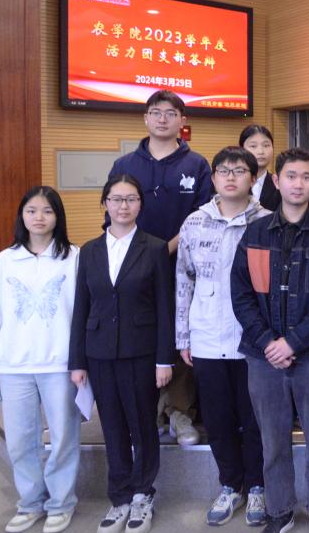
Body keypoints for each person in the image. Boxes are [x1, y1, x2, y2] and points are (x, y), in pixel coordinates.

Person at [230, 148, 309, 533]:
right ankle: (279, 511)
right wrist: (269, 341)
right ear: (276, 181)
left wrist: (293, 343)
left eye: (306, 177)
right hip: (263, 356)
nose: (298, 184)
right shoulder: (256, 233)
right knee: (273, 441)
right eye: (291, 176)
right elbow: (241, 294)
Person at [69, 175, 174, 533]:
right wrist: (77, 361)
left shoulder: (154, 248)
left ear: (140, 205)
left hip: (141, 352)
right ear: (105, 204)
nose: (123, 206)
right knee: (112, 426)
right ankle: (120, 498)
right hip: (99, 353)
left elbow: (165, 307)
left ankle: (143, 494)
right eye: (116, 199)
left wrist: (164, 359)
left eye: (131, 199)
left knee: (143, 426)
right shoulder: (89, 250)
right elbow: (81, 308)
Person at [108, 90, 212, 446]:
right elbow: (114, 216)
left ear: (182, 120)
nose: (163, 118)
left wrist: (162, 251)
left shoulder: (196, 165)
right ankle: (148, 410)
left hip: (182, 266)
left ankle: (180, 411)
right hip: (134, 269)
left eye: (170, 113)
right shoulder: (125, 165)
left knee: (182, 334)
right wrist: (145, 256)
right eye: (156, 112)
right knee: (142, 334)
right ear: (146, 118)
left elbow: (201, 218)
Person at [175, 147, 270, 526]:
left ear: (253, 178)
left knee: (255, 418)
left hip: (254, 340)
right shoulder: (194, 222)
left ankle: (258, 486)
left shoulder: (267, 221)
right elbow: (183, 280)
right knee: (217, 419)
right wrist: (183, 336)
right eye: (224, 171)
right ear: (213, 178)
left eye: (240, 170)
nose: (231, 177)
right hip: (207, 336)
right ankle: (230, 485)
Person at [0, 186, 81, 533]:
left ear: (58, 216)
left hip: (60, 365)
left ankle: (61, 503)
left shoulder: (74, 257)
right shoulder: (4, 261)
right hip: (14, 366)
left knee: (64, 438)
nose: (39, 217)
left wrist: (81, 362)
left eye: (47, 211)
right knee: (21, 441)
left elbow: (82, 314)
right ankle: (30, 503)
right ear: (22, 216)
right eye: (32, 210)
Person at [239, 124, 277, 208]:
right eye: (253, 146)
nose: (261, 151)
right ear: (241, 149)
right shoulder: (231, 182)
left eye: (266, 145)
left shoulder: (278, 185)